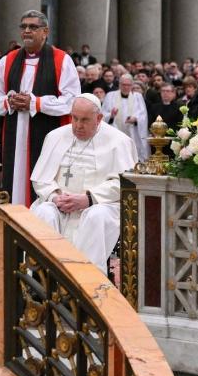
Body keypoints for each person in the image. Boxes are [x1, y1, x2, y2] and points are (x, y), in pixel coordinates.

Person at [30, 94, 138, 274]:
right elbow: (41, 178)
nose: (78, 125)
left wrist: (89, 198)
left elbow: (125, 183)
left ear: (99, 118)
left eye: (85, 120)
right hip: (60, 205)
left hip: (100, 205)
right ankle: (43, 279)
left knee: (96, 216)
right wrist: (54, 196)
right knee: (44, 212)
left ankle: (87, 281)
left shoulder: (119, 141)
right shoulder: (55, 136)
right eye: (74, 118)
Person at [0, 10, 80, 205]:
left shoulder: (61, 60)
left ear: (45, 31)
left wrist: (36, 103)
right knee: (14, 181)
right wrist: (8, 102)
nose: (27, 31)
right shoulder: (8, 60)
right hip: (14, 135)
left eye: (33, 27)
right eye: (24, 27)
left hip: (47, 132)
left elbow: (72, 100)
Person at [102, 73, 149, 160]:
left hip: (132, 133)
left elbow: (143, 115)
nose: (126, 87)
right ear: (119, 84)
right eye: (123, 85)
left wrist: (135, 119)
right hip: (115, 131)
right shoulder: (110, 95)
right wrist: (111, 115)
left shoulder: (137, 97)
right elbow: (103, 113)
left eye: (128, 85)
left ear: (132, 85)